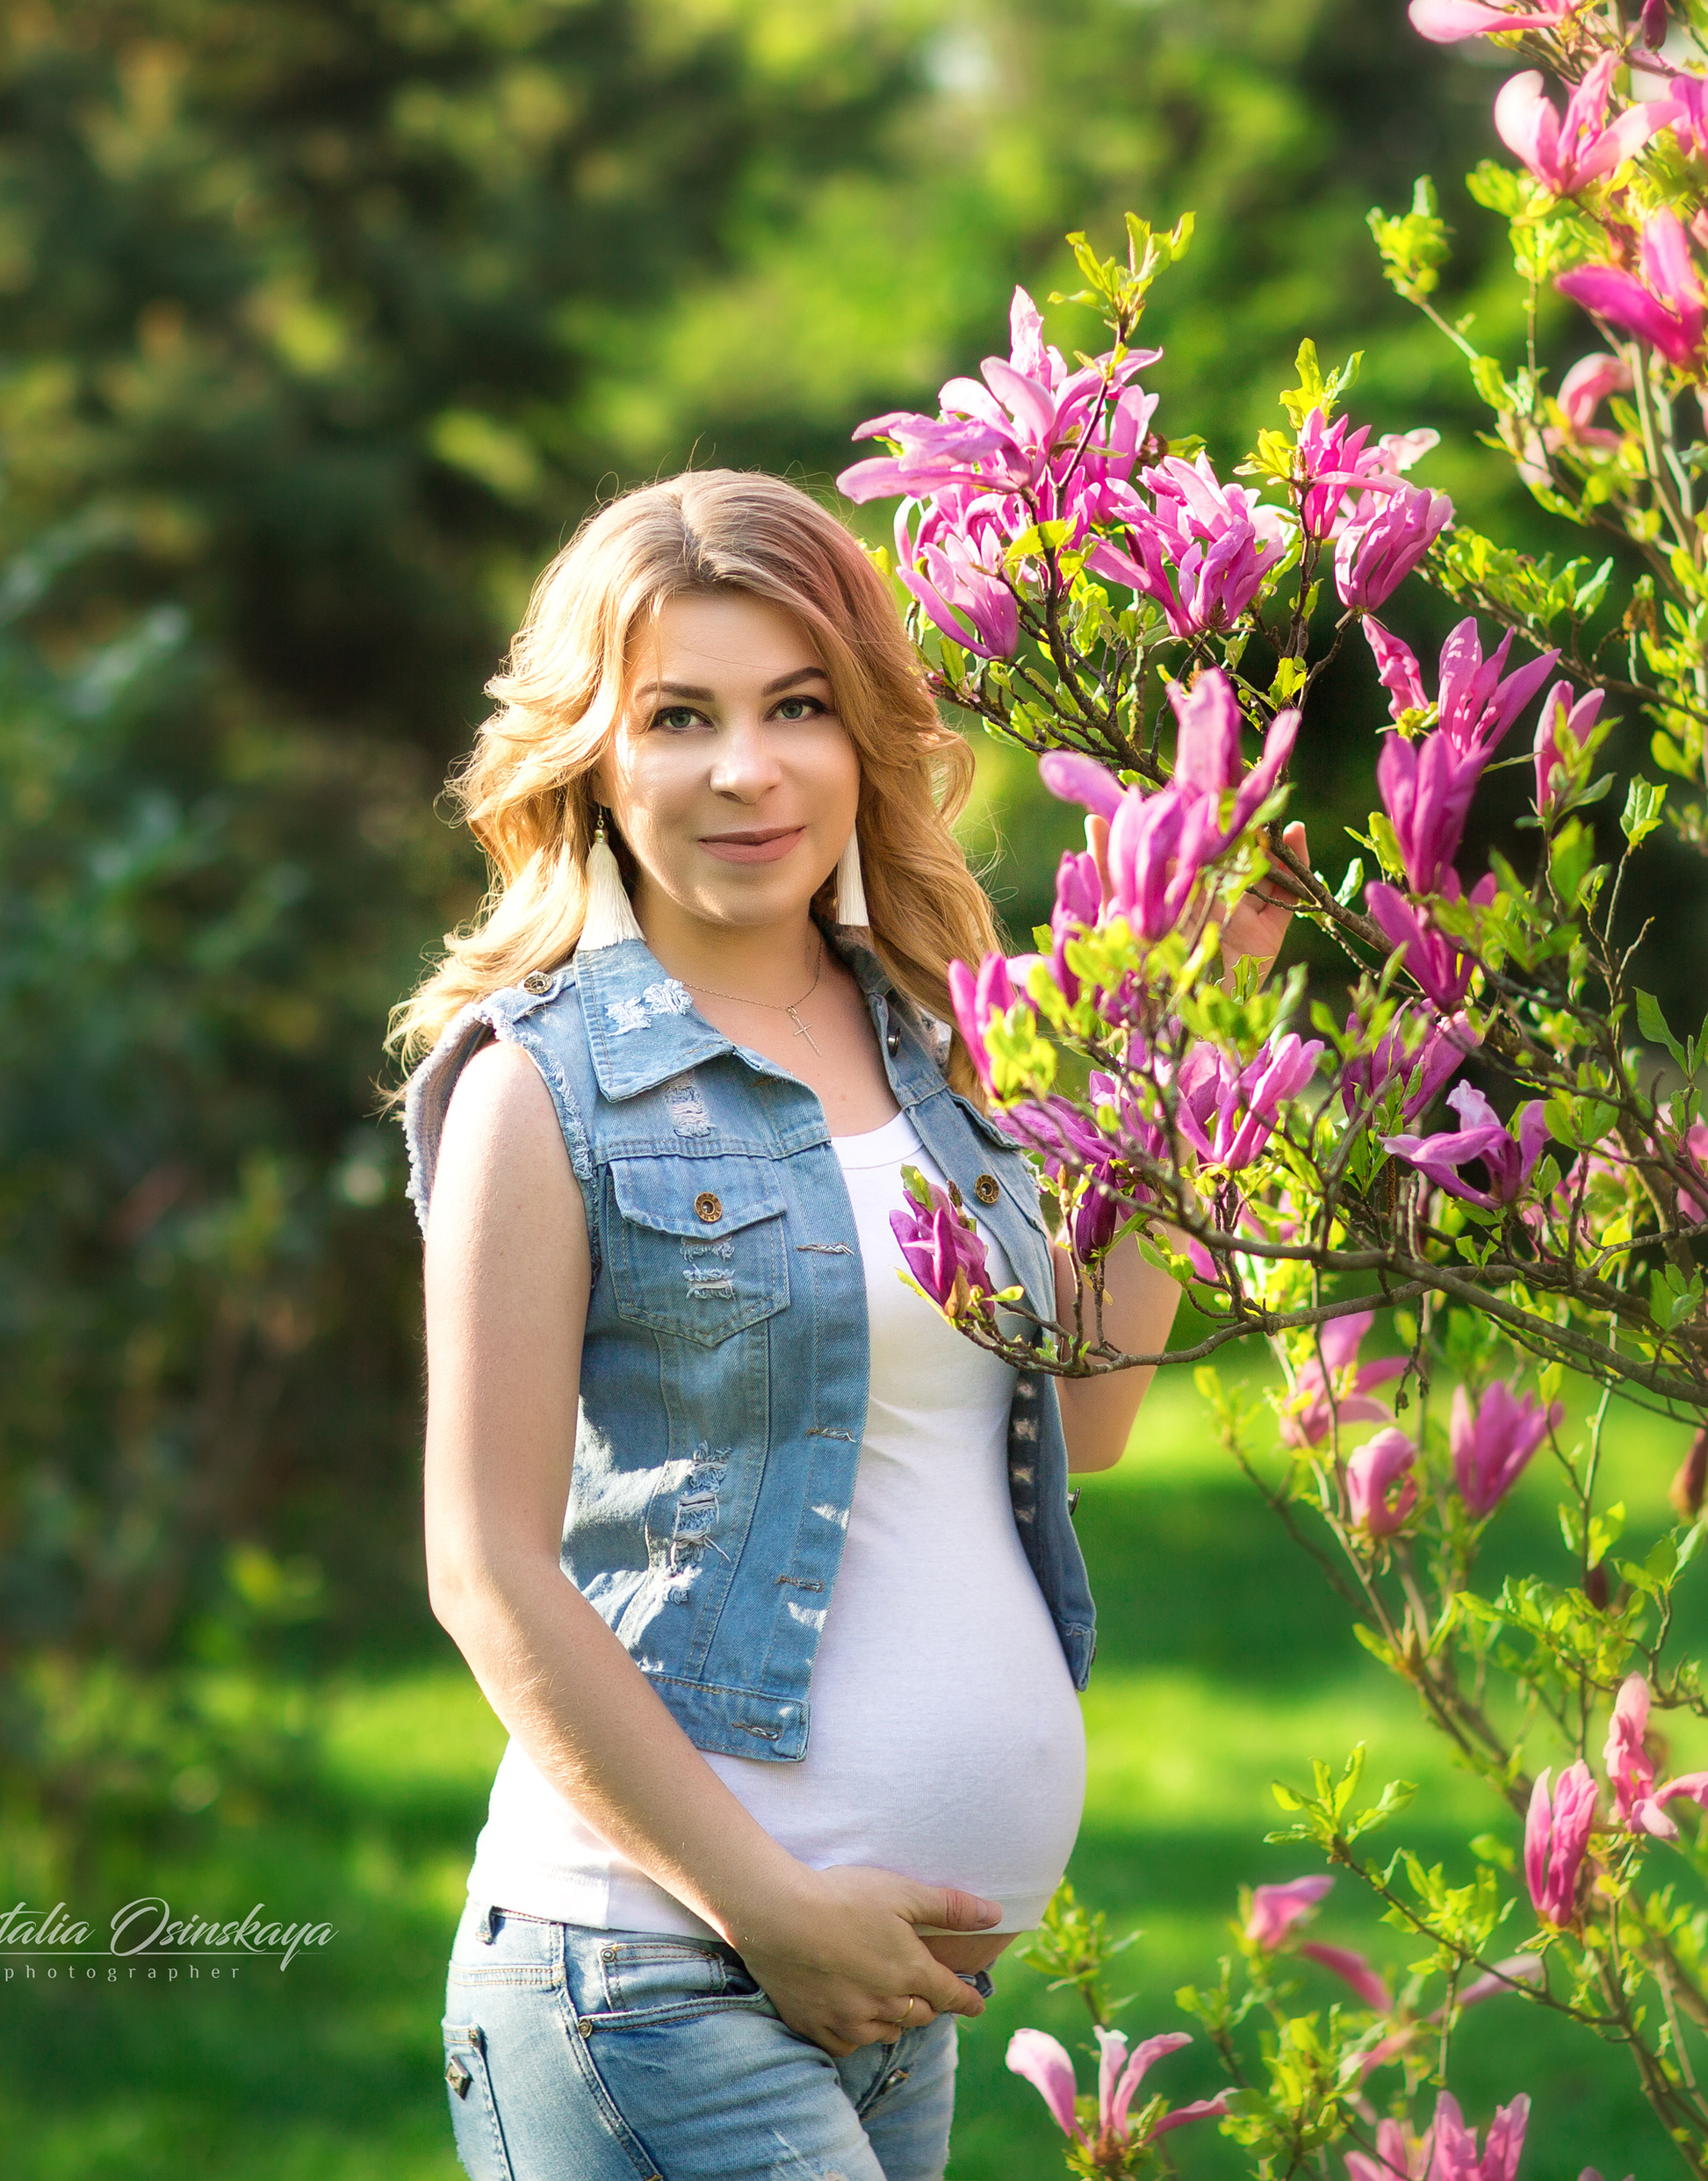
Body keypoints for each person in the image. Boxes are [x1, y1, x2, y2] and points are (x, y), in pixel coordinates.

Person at [392, 471, 1301, 2180]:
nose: (747, 768)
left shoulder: (939, 1038)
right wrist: (771, 1907)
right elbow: (481, 1563)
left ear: (864, 727)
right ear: (594, 754)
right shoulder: (546, 1086)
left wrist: (1189, 1035)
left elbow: (1087, 1404)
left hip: (889, 1997)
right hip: (655, 1973)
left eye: (794, 705)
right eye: (680, 716)